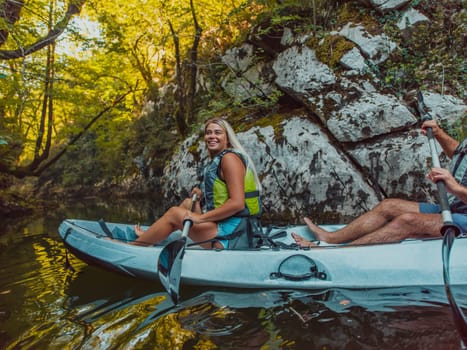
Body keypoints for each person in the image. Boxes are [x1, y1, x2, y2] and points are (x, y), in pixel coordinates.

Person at [292, 119, 467, 247]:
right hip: (455, 207)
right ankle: (331, 238)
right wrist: (439, 134)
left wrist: (456, 188)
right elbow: (461, 153)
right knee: (389, 206)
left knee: (407, 221)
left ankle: (339, 253)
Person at [133, 118, 262, 248]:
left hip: (234, 237)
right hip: (227, 227)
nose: (212, 136)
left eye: (217, 132)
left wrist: (201, 218)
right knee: (189, 203)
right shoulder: (221, 158)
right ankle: (150, 236)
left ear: (227, 138)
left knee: (174, 213)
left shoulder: (229, 159)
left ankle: (134, 246)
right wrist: (200, 196)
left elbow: (237, 204)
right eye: (208, 132)